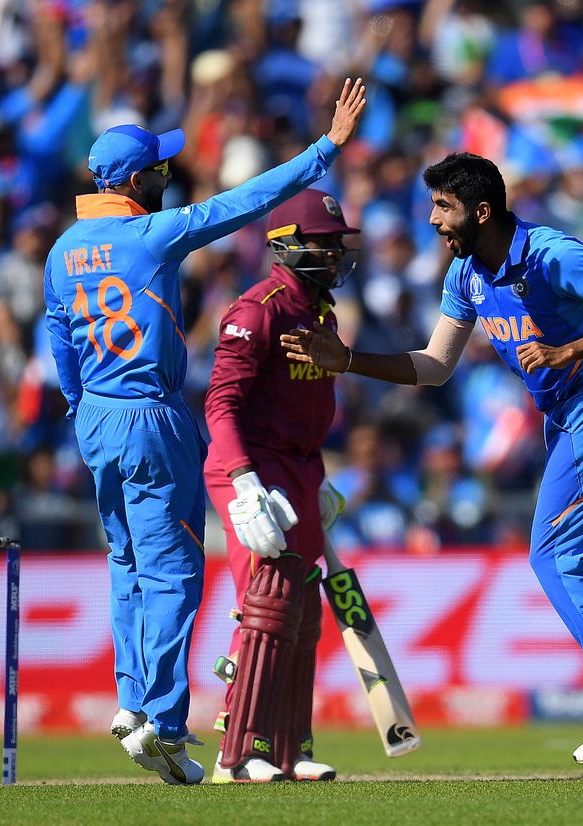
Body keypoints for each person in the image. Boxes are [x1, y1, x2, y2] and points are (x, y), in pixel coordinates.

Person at [281, 152, 583, 781]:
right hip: (581, 416)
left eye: (443, 208)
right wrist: (347, 361)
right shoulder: (466, 274)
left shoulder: (551, 251)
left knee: (555, 554)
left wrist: (569, 349)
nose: (432, 222)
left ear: (482, 210)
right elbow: (434, 364)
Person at [44, 79, 366, 786]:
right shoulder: (151, 234)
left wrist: (80, 411)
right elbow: (245, 202)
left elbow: (59, 340)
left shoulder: (62, 250)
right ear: (137, 181)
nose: (170, 176)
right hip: (150, 413)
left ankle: (133, 702)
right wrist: (325, 150)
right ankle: (160, 722)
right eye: (160, 169)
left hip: (94, 417)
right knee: (173, 574)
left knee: (126, 563)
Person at [202, 187, 359, 783]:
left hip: (300, 467)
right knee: (266, 605)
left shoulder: (322, 312)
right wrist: (245, 484)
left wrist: (315, 476)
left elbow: (312, 400)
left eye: (338, 244)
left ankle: (291, 747)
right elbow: (221, 404)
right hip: (250, 466)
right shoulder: (256, 309)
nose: (335, 255)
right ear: (285, 247)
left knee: (301, 605)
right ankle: (238, 754)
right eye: (323, 244)